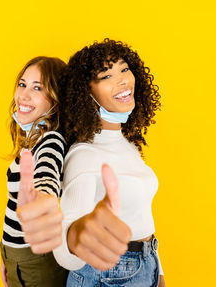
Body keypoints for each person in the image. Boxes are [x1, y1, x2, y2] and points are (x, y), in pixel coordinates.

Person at [53, 39, 166, 287]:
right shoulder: (85, 155)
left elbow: (140, 214)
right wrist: (75, 238)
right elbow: (65, 240)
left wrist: (157, 268)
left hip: (145, 265)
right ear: (86, 93)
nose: (123, 80)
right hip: (107, 273)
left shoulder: (129, 147)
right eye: (106, 75)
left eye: (125, 69)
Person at [0, 56, 68, 287]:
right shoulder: (32, 140)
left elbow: (47, 176)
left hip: (36, 263)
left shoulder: (50, 140)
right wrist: (7, 254)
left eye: (37, 88)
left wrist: (44, 195)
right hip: (18, 259)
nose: (23, 95)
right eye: (22, 84)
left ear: (57, 100)